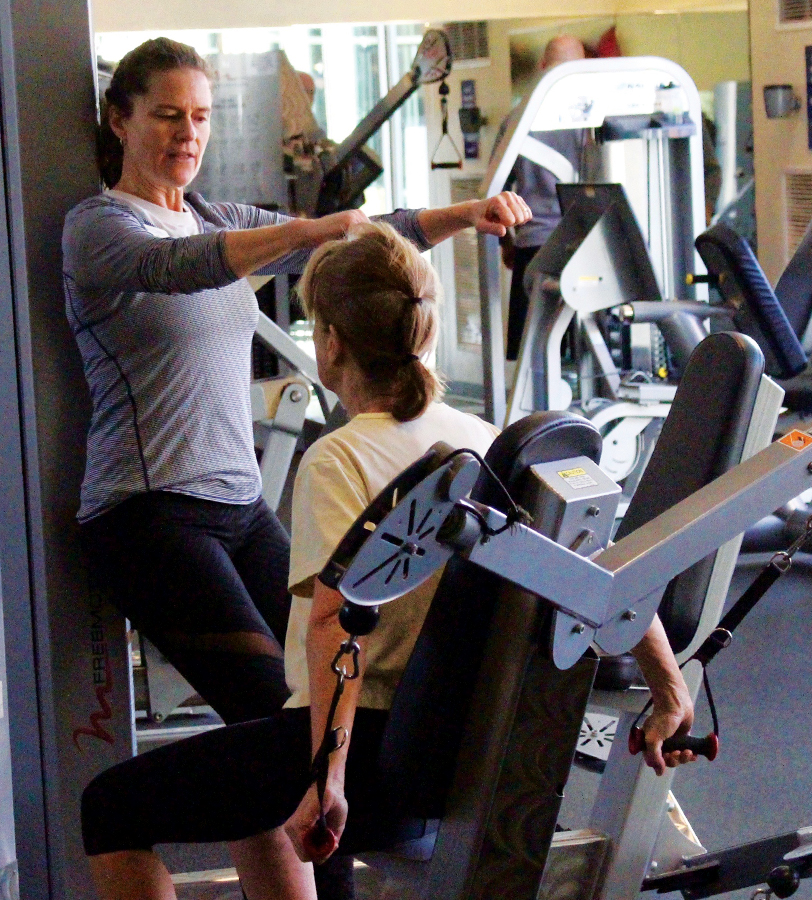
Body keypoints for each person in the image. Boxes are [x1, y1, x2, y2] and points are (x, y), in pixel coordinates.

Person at [80, 221, 698, 900]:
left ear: (331, 344)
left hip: (379, 756)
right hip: (467, 741)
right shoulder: (484, 441)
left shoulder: (338, 458)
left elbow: (337, 626)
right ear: (424, 334)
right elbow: (599, 574)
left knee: (110, 807)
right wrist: (669, 691)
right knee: (240, 790)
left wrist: (326, 780)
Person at [63, 35, 531, 898]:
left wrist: (460, 218)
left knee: (296, 720)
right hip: (145, 516)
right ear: (120, 119)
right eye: (166, 115)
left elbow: (364, 246)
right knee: (283, 724)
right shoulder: (102, 228)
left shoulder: (215, 217)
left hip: (239, 507)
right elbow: (180, 268)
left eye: (200, 117)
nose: (186, 134)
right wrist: (313, 229)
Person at [495, 35, 589, 360]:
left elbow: (498, 191)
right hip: (577, 247)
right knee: (576, 359)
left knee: (532, 357)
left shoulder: (517, 119)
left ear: (543, 66)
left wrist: (507, 242)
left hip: (532, 246)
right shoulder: (589, 120)